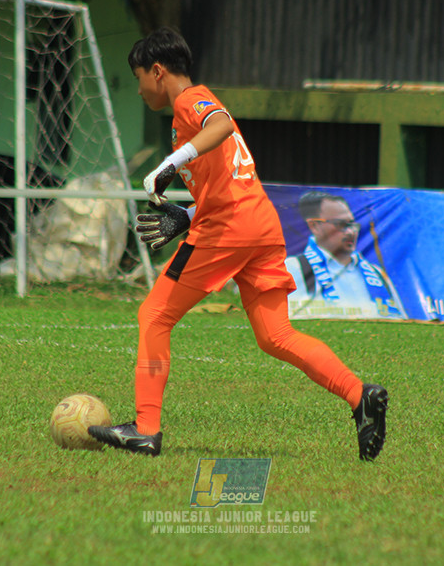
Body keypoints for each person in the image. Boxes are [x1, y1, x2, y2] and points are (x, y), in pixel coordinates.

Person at [87, 27, 388, 460]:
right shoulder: (186, 120)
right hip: (259, 225)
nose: (138, 90)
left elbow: (222, 125)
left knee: (153, 314)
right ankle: (360, 396)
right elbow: (227, 181)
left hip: (229, 230)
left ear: (157, 71)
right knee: (275, 336)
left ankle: (145, 429)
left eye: (138, 78)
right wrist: (187, 215)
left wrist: (171, 163)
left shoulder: (191, 101)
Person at [284, 191, 406, 320]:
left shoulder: (376, 274)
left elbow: (400, 323)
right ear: (315, 226)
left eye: (352, 225)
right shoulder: (294, 269)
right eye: (341, 225)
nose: (350, 232)